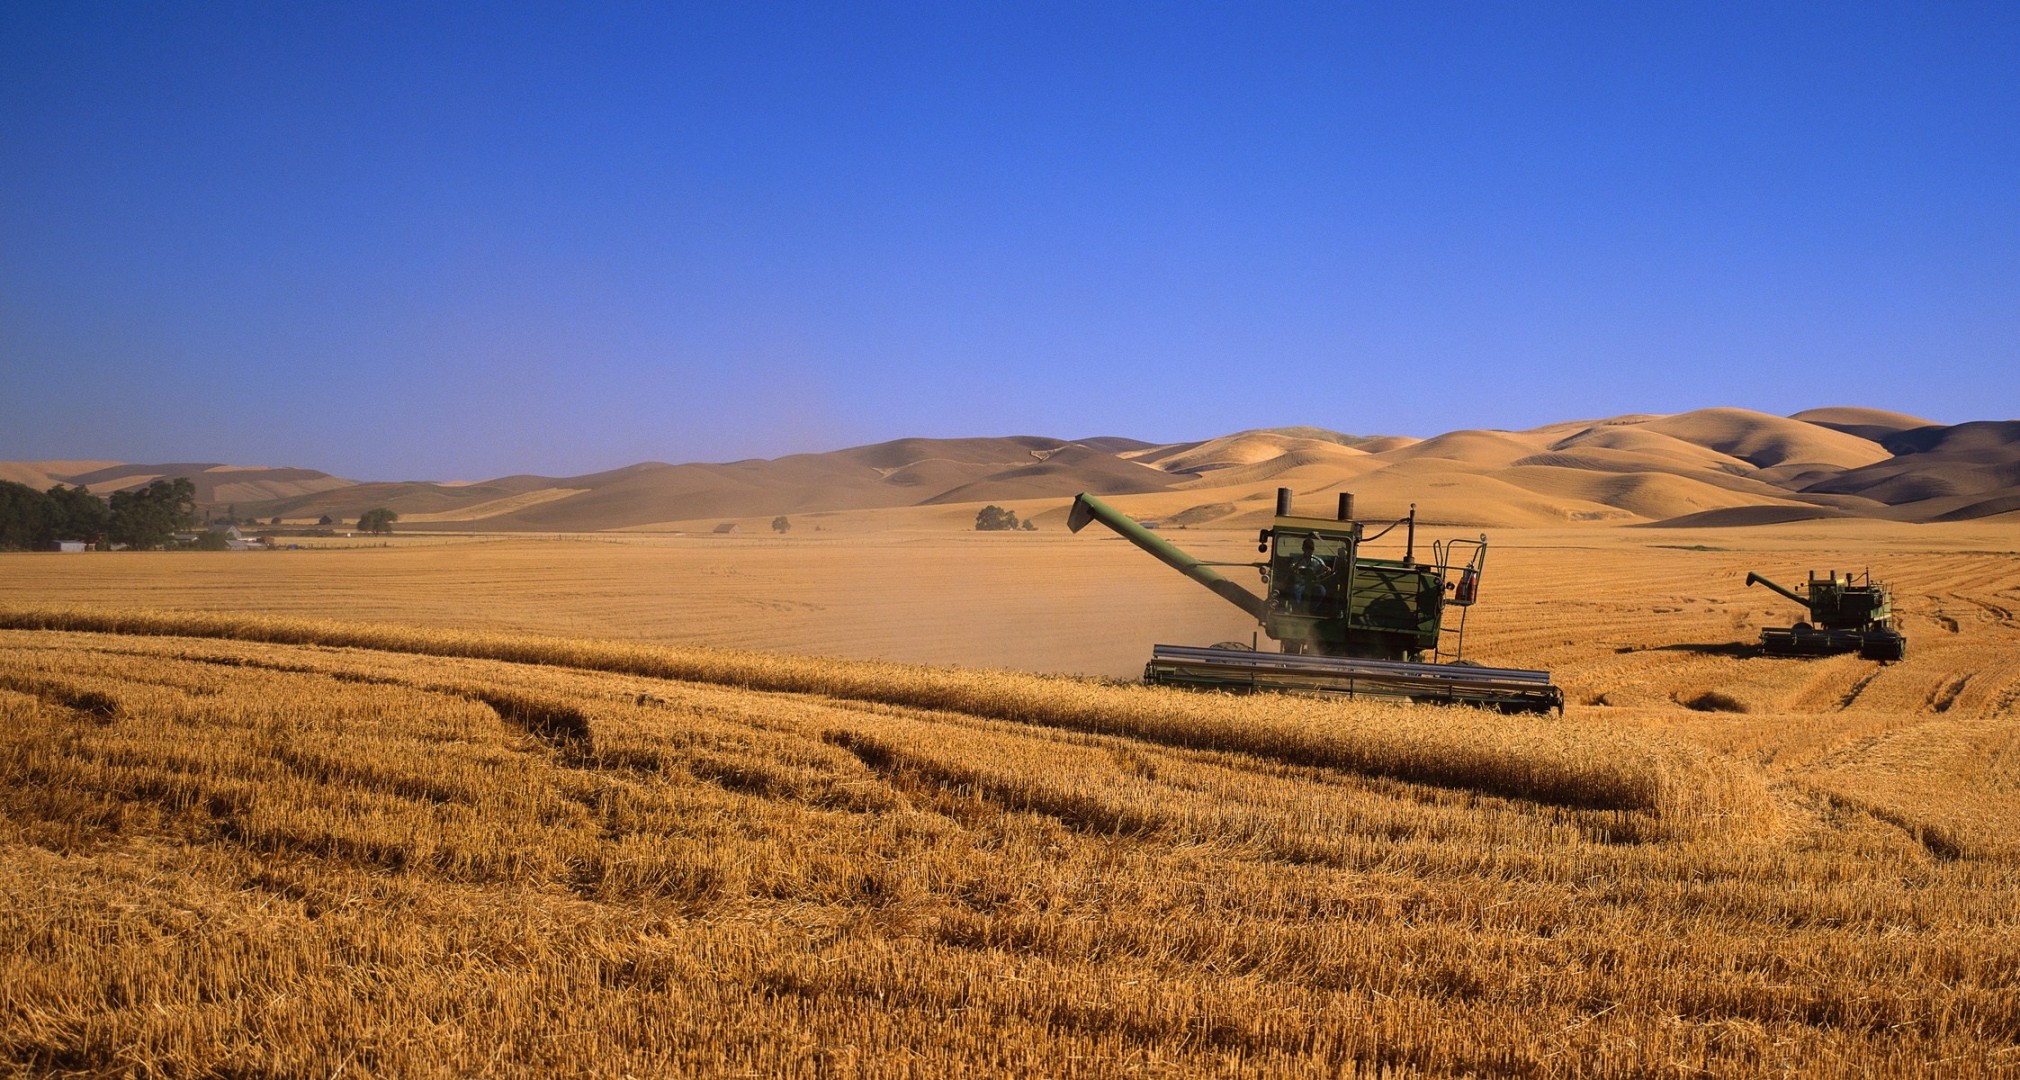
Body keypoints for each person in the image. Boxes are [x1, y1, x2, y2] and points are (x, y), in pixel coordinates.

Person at [1289, 535, 1329, 611]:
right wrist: (1296, 567)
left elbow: (1324, 569)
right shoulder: (1297, 559)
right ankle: (1298, 609)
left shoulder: (1318, 561)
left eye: (1311, 549)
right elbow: (1292, 567)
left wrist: (1326, 570)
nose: (1309, 551)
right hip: (1300, 583)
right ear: (1303, 549)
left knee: (1321, 590)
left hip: (1313, 584)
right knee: (1295, 589)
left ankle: (1312, 609)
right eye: (1307, 549)